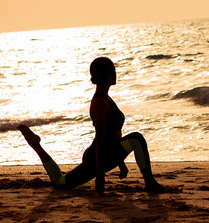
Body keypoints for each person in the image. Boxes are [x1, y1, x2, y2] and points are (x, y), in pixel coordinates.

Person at [18, 57, 164, 194]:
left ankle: (150, 183)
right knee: (60, 182)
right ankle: (36, 145)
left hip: (108, 153)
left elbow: (115, 135)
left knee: (136, 139)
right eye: (113, 70)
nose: (115, 73)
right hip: (98, 157)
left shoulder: (107, 98)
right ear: (107, 75)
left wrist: (121, 163)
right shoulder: (99, 103)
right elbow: (101, 139)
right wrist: (100, 175)